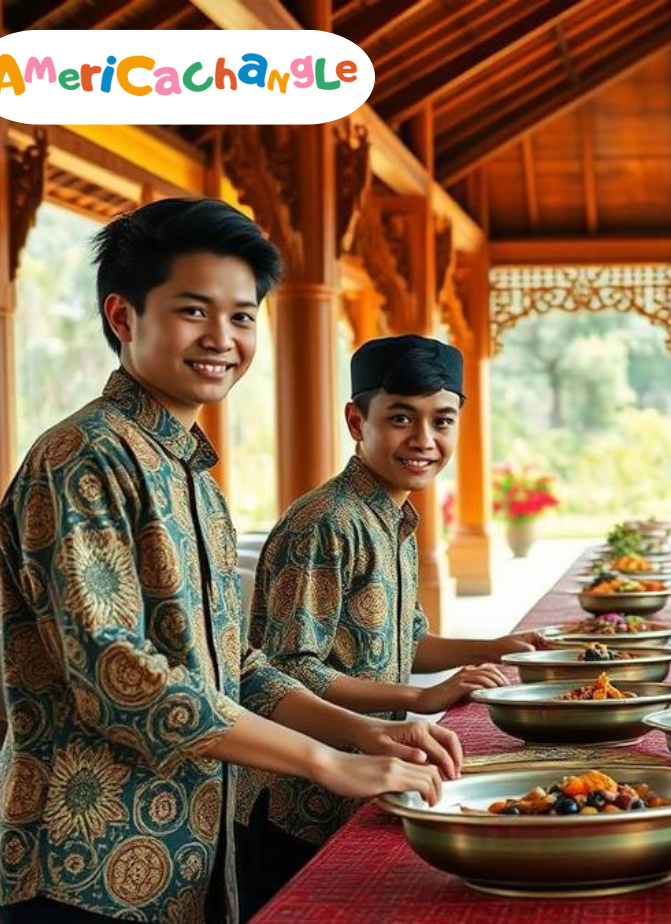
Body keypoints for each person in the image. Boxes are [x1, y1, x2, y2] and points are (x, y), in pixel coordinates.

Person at [0, 199, 459, 924]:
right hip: (86, 870)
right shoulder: (82, 458)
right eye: (194, 311)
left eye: (242, 317)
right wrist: (325, 760)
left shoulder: (194, 476)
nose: (223, 338)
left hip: (195, 856)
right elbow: (122, 680)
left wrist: (361, 729)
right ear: (122, 317)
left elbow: (238, 663)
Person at [233, 334, 547, 916]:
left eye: (442, 420)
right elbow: (287, 670)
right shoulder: (327, 522)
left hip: (369, 773)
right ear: (358, 420)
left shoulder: (395, 514)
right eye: (401, 418)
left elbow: (406, 643)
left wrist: (496, 646)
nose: (424, 440)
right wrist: (420, 697)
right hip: (296, 803)